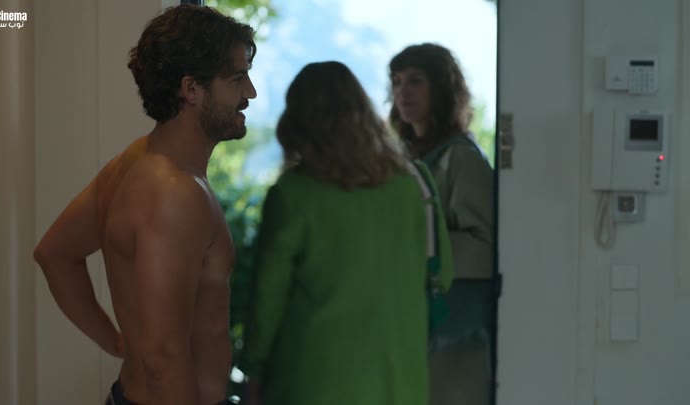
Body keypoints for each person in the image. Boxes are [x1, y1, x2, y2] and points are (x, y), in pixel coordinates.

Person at [33, 5, 257, 405]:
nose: (250, 92)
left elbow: (54, 254)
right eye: (237, 78)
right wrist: (122, 343)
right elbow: (162, 357)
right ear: (191, 89)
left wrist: (117, 342)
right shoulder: (174, 193)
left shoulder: (129, 165)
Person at [238, 61, 454, 405]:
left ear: (298, 121)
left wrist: (254, 367)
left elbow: (268, 296)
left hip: (313, 380)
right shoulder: (411, 185)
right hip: (400, 380)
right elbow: (443, 274)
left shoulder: (294, 193)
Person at [389, 43, 495, 405]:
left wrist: (418, 247)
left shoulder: (462, 158)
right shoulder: (403, 158)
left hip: (455, 333)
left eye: (415, 80)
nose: (403, 92)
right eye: (397, 81)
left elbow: (485, 245)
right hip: (415, 326)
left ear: (441, 88)